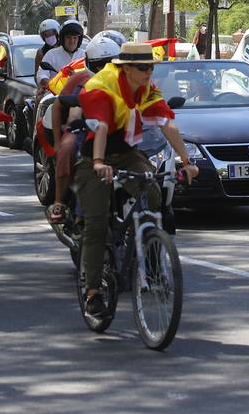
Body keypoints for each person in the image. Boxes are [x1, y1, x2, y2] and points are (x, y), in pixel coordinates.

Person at [74, 42, 198, 321]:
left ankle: (147, 246)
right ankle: (93, 293)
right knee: (95, 224)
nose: (149, 72)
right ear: (125, 68)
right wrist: (97, 163)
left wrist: (187, 162)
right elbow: (102, 126)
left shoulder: (146, 88)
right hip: (95, 155)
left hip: (126, 153)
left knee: (153, 192)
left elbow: (168, 123)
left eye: (151, 67)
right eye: (143, 68)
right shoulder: (102, 84)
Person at [46, 36, 120, 224]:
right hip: (81, 131)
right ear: (89, 63)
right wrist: (57, 140)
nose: (105, 69)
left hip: (115, 132)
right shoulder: (80, 78)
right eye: (100, 65)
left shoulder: (124, 79)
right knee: (68, 148)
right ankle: (59, 202)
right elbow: (58, 105)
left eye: (110, 63)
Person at [37, 19, 86, 89]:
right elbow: (41, 75)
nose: (72, 41)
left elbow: (92, 77)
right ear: (63, 39)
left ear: (79, 39)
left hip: (79, 95)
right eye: (68, 38)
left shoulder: (85, 56)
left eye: (75, 38)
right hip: (55, 94)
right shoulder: (51, 54)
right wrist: (51, 84)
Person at [33, 19, 62, 92]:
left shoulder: (65, 48)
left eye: (51, 34)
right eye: (46, 35)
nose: (49, 37)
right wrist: (41, 87)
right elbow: (38, 74)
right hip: (49, 87)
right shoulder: (41, 52)